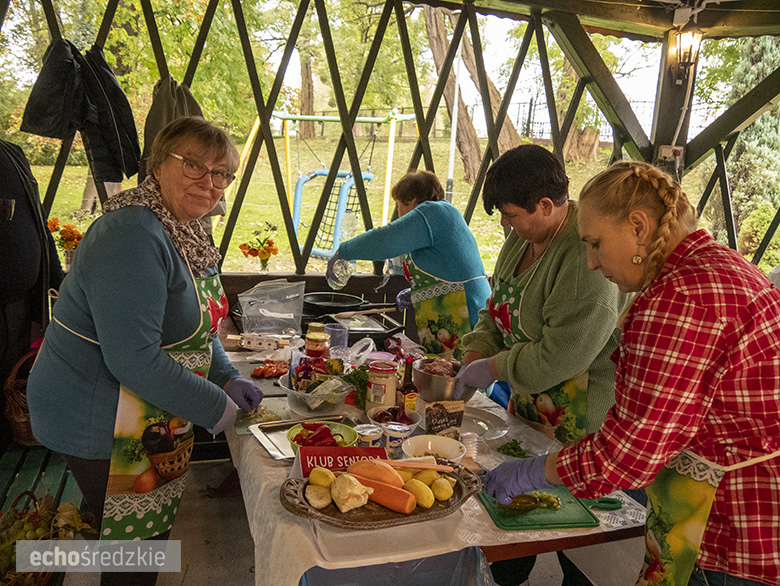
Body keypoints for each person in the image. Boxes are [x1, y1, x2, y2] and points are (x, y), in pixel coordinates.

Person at [484, 161, 780, 586]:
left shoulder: (677, 300)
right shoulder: (718, 265)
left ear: (638, 227)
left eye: (596, 244)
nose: (590, 262)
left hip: (732, 525)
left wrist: (534, 472)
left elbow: (629, 456)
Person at [27, 116, 263, 586]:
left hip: (142, 410)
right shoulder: (132, 235)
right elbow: (132, 357)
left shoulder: (185, 229)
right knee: (136, 550)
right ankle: (46, 561)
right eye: (194, 165)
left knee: (134, 540)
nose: (209, 182)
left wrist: (225, 375)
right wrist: (215, 406)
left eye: (221, 173)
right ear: (157, 166)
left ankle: (65, 559)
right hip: (96, 411)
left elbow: (196, 325)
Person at [455, 145, 628, 586]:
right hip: (531, 405)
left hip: (580, 418)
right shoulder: (522, 240)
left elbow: (562, 354)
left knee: (576, 540)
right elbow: (498, 307)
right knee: (513, 520)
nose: (504, 224)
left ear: (546, 206)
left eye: (510, 214)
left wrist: (494, 369)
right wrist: (476, 350)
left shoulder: (583, 256)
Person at [326, 170, 491, 360]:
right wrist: (420, 291)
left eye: (398, 205)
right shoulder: (442, 215)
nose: (399, 214)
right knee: (446, 377)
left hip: (464, 312)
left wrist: (344, 250)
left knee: (465, 379)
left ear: (412, 200)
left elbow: (386, 240)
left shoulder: (432, 213)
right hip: (452, 310)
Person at [0, 139, 64, 446]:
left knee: (9, 386)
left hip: (19, 304)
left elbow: (38, 222)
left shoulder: (12, 153)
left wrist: (55, 278)